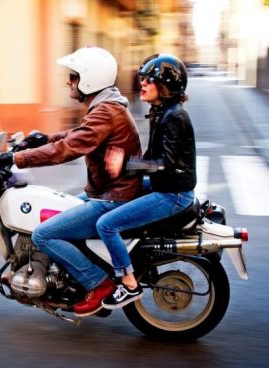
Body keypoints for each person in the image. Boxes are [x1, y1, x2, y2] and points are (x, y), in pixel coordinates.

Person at [0, 46, 142, 317]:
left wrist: (14, 158)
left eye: (73, 76)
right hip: (107, 192)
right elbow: (75, 136)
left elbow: (66, 150)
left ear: (90, 79)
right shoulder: (107, 107)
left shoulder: (106, 112)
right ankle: (61, 275)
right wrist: (44, 138)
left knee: (44, 233)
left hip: (111, 198)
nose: (68, 81)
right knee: (53, 214)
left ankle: (97, 284)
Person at [99, 53, 197, 309]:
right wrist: (123, 168)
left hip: (172, 195)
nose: (141, 83)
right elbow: (153, 160)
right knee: (104, 194)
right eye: (142, 78)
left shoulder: (174, 117)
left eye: (149, 79)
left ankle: (128, 283)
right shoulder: (162, 112)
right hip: (164, 188)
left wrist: (125, 165)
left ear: (164, 85)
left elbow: (165, 164)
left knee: (107, 225)